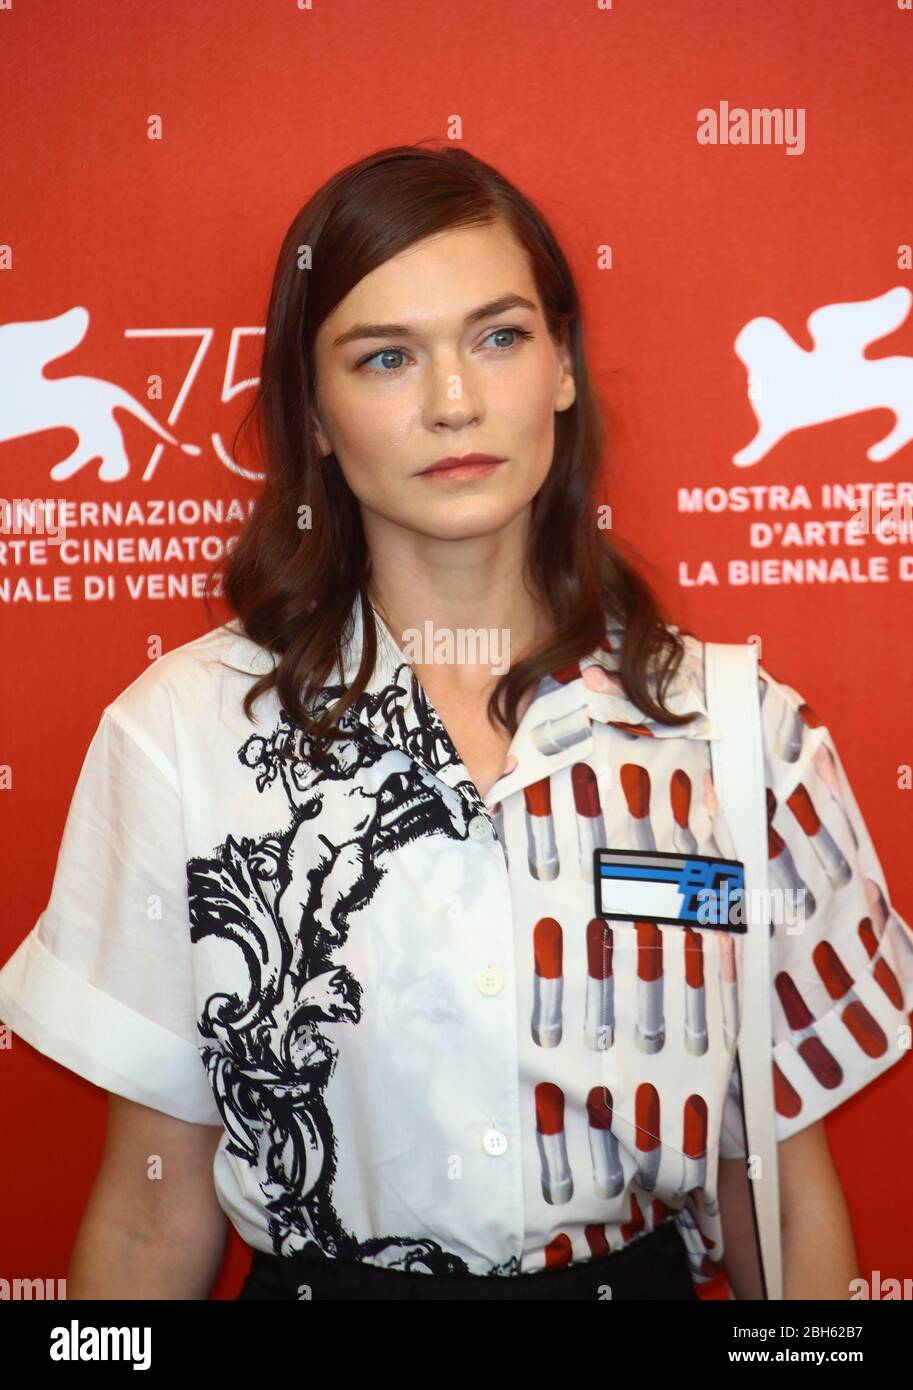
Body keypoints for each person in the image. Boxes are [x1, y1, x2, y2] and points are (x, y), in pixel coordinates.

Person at [2, 143, 912, 1302]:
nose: (453, 402)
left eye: (498, 336)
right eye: (385, 357)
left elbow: (775, 1197)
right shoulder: (181, 733)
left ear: (563, 366)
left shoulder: (736, 735)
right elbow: (149, 1212)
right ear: (316, 418)